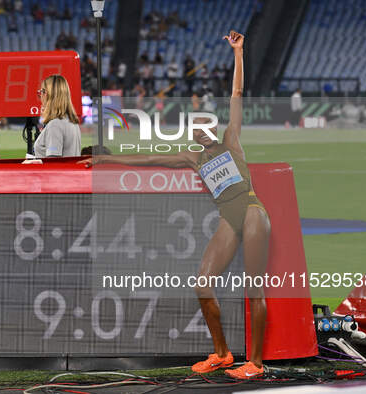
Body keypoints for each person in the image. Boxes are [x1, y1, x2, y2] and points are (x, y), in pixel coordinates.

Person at [78, 31, 270, 380]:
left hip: (253, 212)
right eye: (194, 127)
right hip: (229, 217)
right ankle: (223, 353)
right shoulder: (193, 158)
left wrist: (239, 53)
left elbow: (237, 94)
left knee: (254, 289)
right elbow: (149, 159)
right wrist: (107, 159)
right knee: (202, 284)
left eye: (204, 124)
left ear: (213, 127)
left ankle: (255, 364)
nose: (200, 130)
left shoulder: (231, 141)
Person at [34, 74, 81, 158]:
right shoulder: (71, 121)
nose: (40, 96)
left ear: (47, 94)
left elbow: (53, 163)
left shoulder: (55, 124)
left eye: (42, 92)